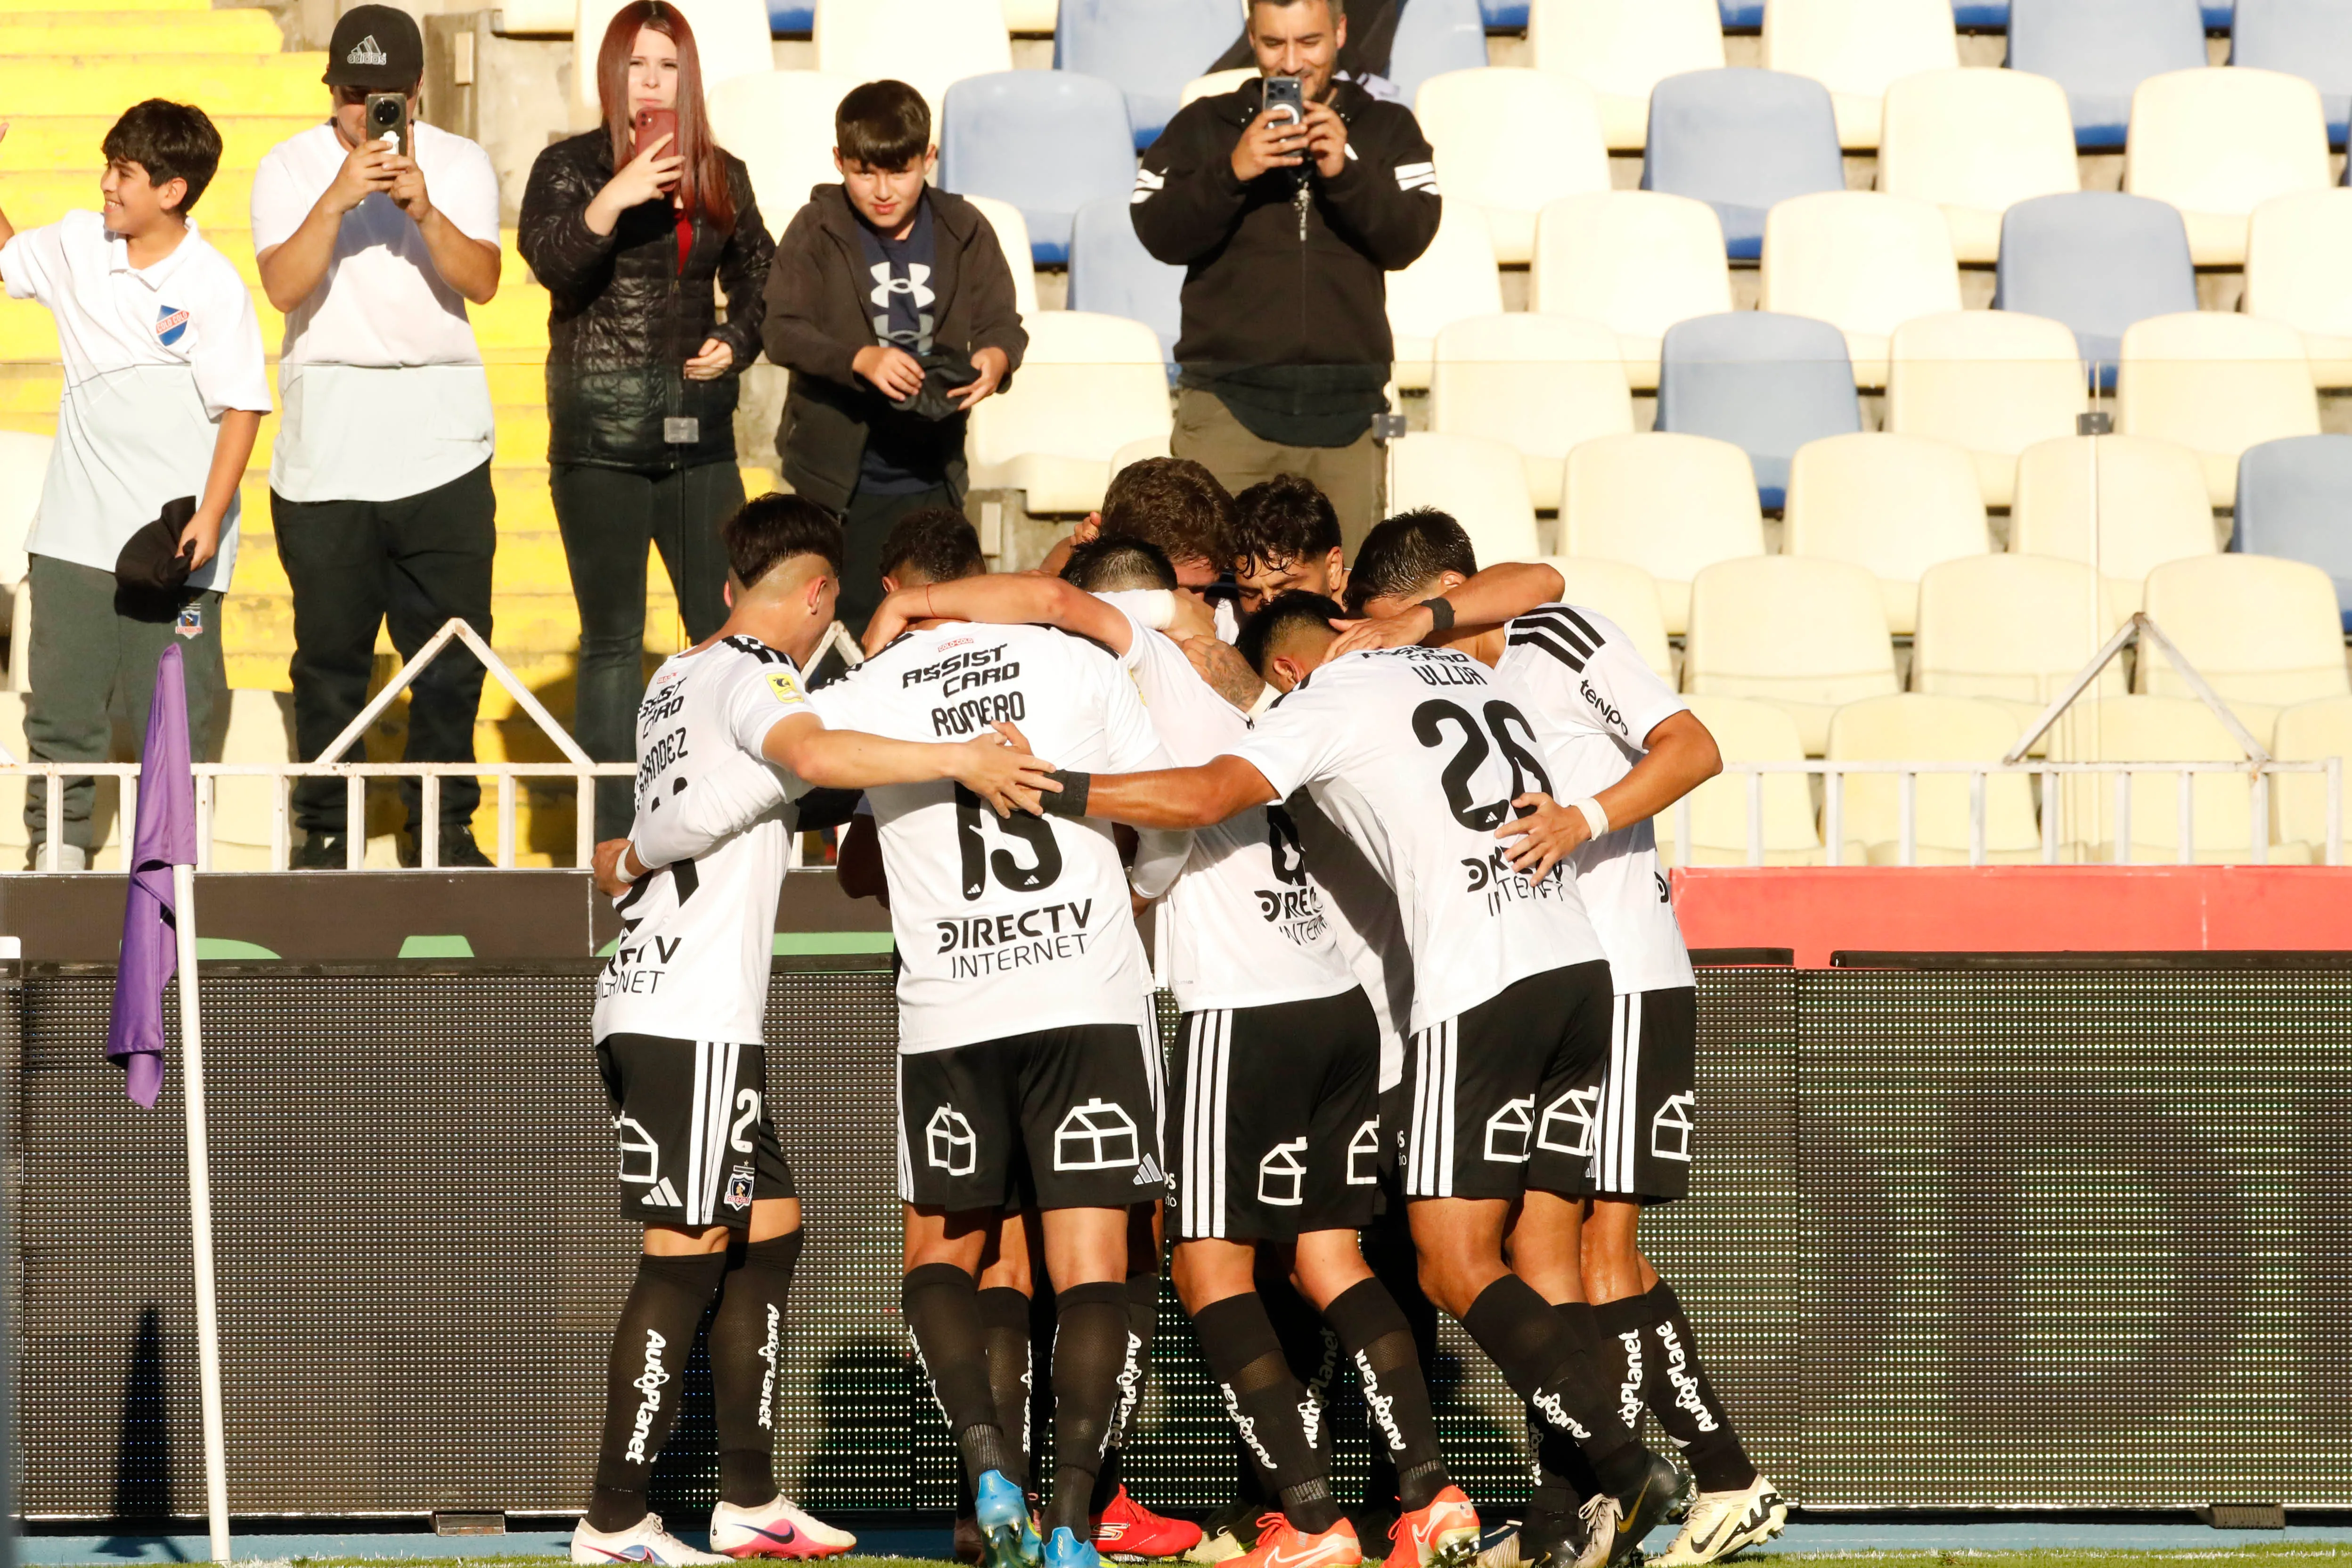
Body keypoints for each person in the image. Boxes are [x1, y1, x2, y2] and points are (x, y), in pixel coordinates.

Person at [1029, 591, 1684, 1568]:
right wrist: (1429, 617)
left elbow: (1209, 795)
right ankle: (1556, 1509)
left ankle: (1621, 1465)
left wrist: (1060, 785)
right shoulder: (1459, 666)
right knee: (1538, 1248)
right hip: (1581, 968)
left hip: (1476, 983)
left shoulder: (1320, 706)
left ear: (1288, 672)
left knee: (1448, 1261)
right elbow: (1538, 576)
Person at [864, 542, 1477, 1568]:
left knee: (1193, 1266)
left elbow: (1071, 628)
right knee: (1323, 1257)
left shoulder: (1135, 665)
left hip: (1216, 1004)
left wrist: (921, 619)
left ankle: (1310, 1517)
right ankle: (1427, 1493)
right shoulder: (1275, 699)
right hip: (1335, 1000)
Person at [577, 493, 1054, 1565]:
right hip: (690, 1009)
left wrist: (639, 851)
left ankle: (749, 1497)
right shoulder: (761, 675)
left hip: (664, 997)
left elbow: (714, 806)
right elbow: (814, 752)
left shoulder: (672, 677)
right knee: (684, 1250)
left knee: (772, 1228)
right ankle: (613, 1519)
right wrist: (961, 759)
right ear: (819, 594)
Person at [1337, 520, 1786, 1568]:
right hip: (1550, 982)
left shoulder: (1559, 635)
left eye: (1401, 622)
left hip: (1626, 975)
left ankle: (1718, 1478)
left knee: (1597, 1250)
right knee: (1546, 1256)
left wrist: (1584, 815)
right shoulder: (1436, 691)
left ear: (1450, 595)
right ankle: (1583, 1513)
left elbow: (1696, 746)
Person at [843, 514, 1200, 1567]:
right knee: (1096, 1264)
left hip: (954, 1005)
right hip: (1084, 992)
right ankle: (1079, 1525)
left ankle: (993, 1470)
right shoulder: (1070, 660)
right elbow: (1169, 821)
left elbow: (855, 859)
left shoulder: (871, 689)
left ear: (902, 585)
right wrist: (1133, 892)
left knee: (946, 1252)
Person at [250, 4, 504, 867]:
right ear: (330, 91)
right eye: (354, 96)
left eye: (386, 97)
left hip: (442, 440)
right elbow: (283, 288)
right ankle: (325, 828)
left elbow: (485, 281)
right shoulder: (288, 166)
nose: (369, 115)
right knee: (329, 657)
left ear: (418, 91)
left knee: (452, 653)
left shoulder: (460, 162)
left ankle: (443, 827)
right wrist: (337, 196)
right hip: (328, 447)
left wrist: (424, 210)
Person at [520, 0, 775, 842]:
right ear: (611, 73)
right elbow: (550, 259)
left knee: (725, 628)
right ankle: (613, 831)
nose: (653, 82)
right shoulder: (569, 165)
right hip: (599, 439)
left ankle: (725, 811)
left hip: (697, 437)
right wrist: (616, 195)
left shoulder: (721, 173)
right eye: (638, 65)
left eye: (668, 66)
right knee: (613, 638)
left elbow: (763, 277)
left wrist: (734, 340)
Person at [0, 101, 269, 871]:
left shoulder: (213, 284)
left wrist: (211, 516)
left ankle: (168, 875)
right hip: (73, 538)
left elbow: (243, 406)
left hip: (171, 549)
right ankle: (58, 855)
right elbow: (10, 257)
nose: (106, 185)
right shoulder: (78, 242)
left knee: (177, 715)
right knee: (61, 711)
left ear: (173, 190)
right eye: (109, 166)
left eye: (124, 173)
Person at [1132, 0, 1439, 552]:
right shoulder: (1206, 124)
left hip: (1348, 416)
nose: (1293, 63)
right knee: (1216, 594)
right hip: (1227, 409)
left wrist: (1345, 171)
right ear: (1251, 36)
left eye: (1310, 43)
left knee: (1345, 605)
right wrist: (1233, 171)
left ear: (1342, 32)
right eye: (1274, 44)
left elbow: (1409, 237)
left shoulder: (1388, 126)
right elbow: (1158, 231)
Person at [761, 78, 1026, 635]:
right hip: (838, 486)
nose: (883, 190)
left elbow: (1003, 321)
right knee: (843, 632)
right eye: (864, 172)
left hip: (934, 473)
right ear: (839, 161)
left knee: (941, 625)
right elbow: (781, 330)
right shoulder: (816, 229)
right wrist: (859, 359)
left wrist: (997, 359)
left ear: (929, 158)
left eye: (899, 171)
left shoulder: (964, 228)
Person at [1232, 474, 1347, 617]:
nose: (1269, 608)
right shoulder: (1217, 608)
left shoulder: (1375, 620)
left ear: (1333, 568)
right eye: (1251, 595)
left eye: (1287, 591)